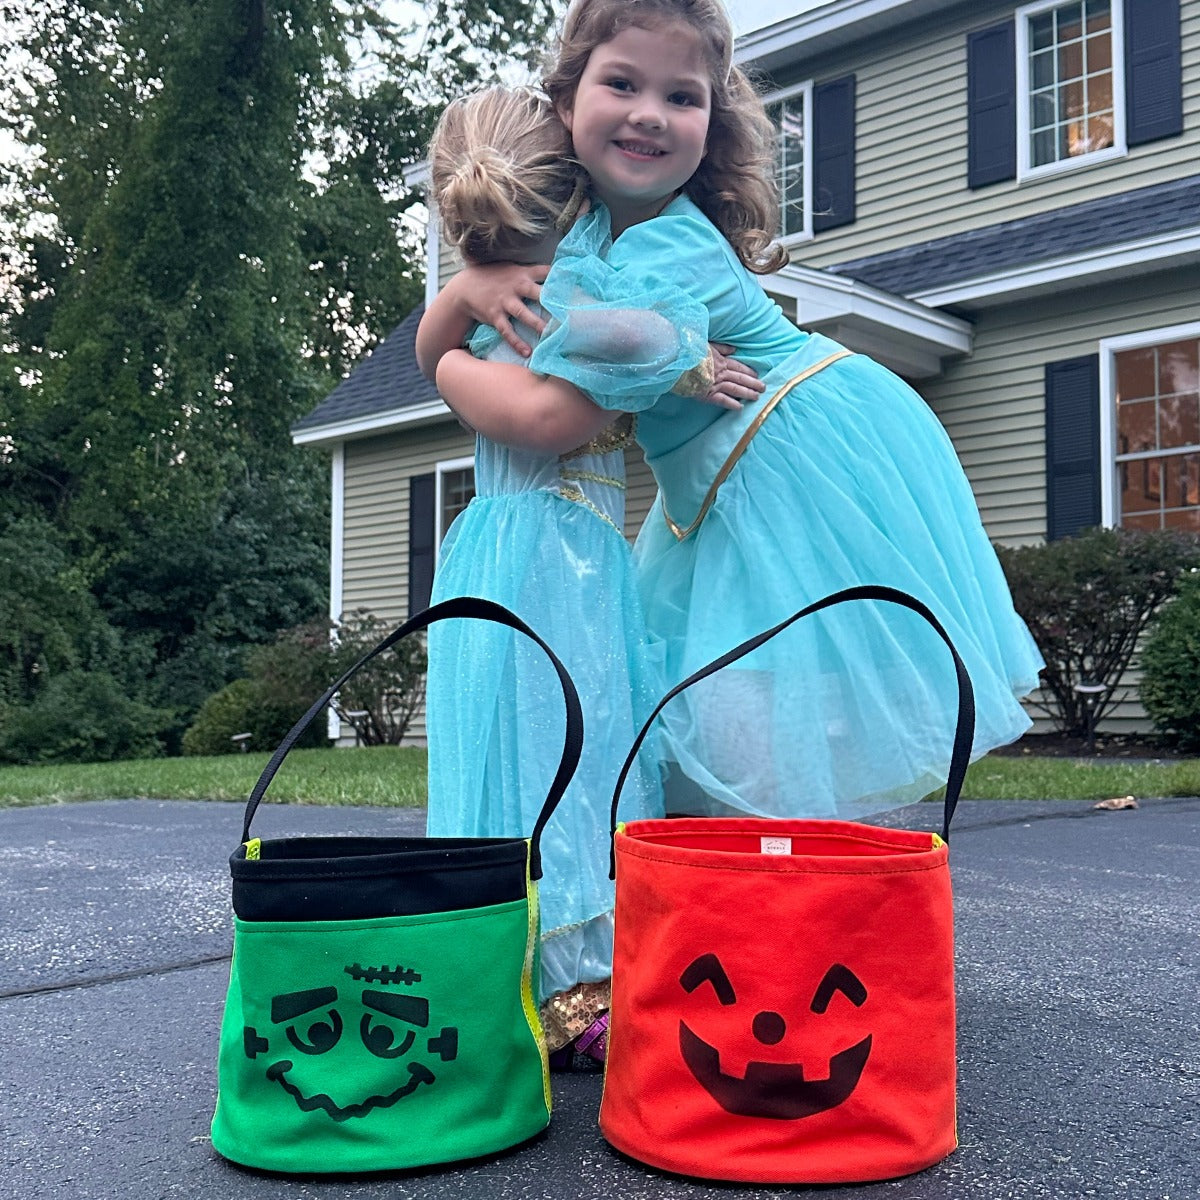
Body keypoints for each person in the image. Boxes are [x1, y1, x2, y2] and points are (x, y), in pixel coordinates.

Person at [429, 0, 1045, 821]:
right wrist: (466, 290)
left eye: (683, 98)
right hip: (714, 487)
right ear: (567, 102)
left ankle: (785, 895)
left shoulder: (662, 247)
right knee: (701, 711)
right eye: (623, 83)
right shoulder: (589, 242)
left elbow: (555, 408)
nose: (651, 114)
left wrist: (446, 361)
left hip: (788, 448)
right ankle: (740, 897)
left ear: (711, 124)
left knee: (750, 717)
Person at [417, 85, 759, 1066]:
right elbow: (562, 410)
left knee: (526, 752)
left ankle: (518, 967)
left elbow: (451, 353)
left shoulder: (506, 288)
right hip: (550, 557)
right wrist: (687, 360)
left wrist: (447, 325)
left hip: (521, 547)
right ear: (569, 189)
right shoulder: (560, 286)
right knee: (570, 750)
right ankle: (573, 990)